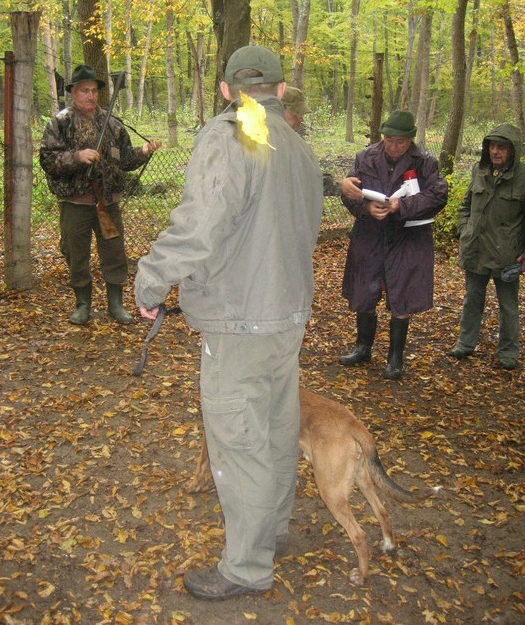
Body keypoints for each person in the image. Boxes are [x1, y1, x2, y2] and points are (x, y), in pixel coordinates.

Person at [134, 46, 323, 600]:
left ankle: (246, 567)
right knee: (275, 427)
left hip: (242, 319)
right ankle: (271, 532)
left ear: (226, 91)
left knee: (239, 441)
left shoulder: (230, 134)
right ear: (280, 90)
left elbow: (201, 224)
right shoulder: (296, 146)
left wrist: (151, 278)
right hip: (285, 314)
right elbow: (304, 229)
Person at [40, 64, 161, 325]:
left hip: (108, 202)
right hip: (75, 203)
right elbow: (47, 160)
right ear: (73, 92)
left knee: (114, 253)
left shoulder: (113, 125)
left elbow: (126, 160)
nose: (90, 96)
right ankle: (82, 305)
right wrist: (76, 156)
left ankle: (115, 305)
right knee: (76, 253)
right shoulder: (59, 123)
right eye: (84, 90)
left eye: (94, 91)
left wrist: (144, 151)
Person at [339, 110, 448, 379]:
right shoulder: (365, 157)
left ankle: (395, 358)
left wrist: (403, 205)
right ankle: (363, 347)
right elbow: (350, 192)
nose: (394, 146)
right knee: (365, 290)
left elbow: (438, 195)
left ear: (410, 139)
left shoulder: (424, 162)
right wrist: (365, 207)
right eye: (389, 140)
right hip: (370, 235)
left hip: (407, 238)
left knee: (403, 294)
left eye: (400, 141)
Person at [449, 123, 525, 370]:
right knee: (472, 299)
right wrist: (464, 229)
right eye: (492, 146)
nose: (495, 152)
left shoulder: (522, 178)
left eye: (502, 147)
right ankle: (466, 343)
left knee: (508, 306)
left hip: (507, 255)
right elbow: (465, 205)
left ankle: (508, 352)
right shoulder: (479, 171)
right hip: (476, 250)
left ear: (513, 151)